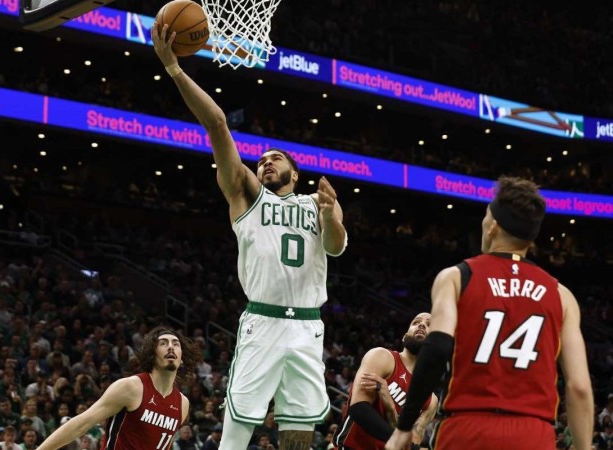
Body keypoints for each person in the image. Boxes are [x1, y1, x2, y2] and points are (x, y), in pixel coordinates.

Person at [152, 21, 347, 450]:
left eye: (275, 159)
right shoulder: (246, 195)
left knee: (299, 427)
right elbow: (219, 124)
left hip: (309, 326)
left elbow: (334, 248)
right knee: (239, 422)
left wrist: (332, 215)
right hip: (263, 319)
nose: (266, 163)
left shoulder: (319, 202)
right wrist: (174, 69)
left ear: (295, 173)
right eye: (261, 160)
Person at [385, 177, 594, 450]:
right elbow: (578, 387)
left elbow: (436, 350)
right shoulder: (561, 295)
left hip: (466, 427)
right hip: (533, 434)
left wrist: (405, 425)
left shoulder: (456, 278)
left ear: (493, 225)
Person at [35, 327, 200, 450]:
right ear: (152, 354)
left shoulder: (182, 404)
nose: (171, 347)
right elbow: (81, 423)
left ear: (182, 358)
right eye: (163, 343)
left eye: (175, 344)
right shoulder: (131, 387)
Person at [334, 313, 438, 450]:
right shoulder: (382, 357)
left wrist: (390, 408)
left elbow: (409, 445)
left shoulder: (431, 401)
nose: (421, 325)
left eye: (429, 324)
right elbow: (359, 409)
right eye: (416, 322)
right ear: (404, 336)